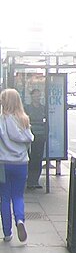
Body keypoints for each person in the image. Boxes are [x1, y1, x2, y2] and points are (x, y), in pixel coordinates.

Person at [0, 88, 35, 243]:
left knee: (5, 197)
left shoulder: (1, 120)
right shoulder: (24, 119)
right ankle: (20, 220)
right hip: (21, 163)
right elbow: (30, 138)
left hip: (3, 164)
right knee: (18, 195)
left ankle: (7, 233)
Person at [26, 88, 47, 189]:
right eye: (35, 95)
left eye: (39, 95)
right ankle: (30, 181)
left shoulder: (43, 108)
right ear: (31, 96)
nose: (37, 97)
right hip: (30, 136)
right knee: (31, 158)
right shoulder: (27, 108)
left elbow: (46, 121)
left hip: (41, 136)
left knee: (38, 158)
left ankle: (36, 180)